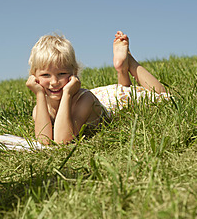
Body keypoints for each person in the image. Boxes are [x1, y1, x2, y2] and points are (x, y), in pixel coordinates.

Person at [26, 31, 169, 145]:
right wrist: (39, 94)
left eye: (61, 74)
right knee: (125, 87)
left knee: (163, 96)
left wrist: (68, 93)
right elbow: (43, 140)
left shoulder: (84, 100)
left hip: (114, 101)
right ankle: (122, 69)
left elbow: (62, 140)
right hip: (100, 95)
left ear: (74, 73)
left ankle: (129, 63)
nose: (54, 82)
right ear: (34, 78)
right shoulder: (40, 107)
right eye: (46, 75)